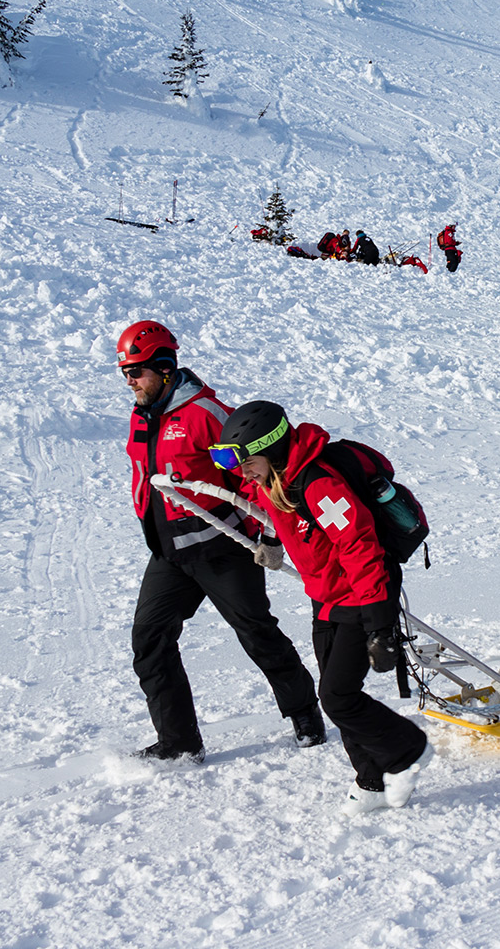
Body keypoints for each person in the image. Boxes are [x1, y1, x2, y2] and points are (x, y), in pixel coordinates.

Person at [210, 401, 433, 814]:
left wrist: (380, 627)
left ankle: (408, 750)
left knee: (338, 698)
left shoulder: (317, 484)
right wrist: (273, 542)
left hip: (362, 592)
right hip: (327, 595)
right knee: (336, 691)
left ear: (272, 450)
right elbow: (265, 503)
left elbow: (360, 547)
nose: (242, 473)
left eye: (247, 462)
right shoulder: (275, 478)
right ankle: (371, 783)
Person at [116, 320, 324, 762]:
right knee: (149, 641)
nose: (130, 382)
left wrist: (271, 536)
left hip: (222, 547)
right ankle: (179, 742)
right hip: (170, 553)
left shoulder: (205, 413)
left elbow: (255, 477)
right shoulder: (142, 415)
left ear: (166, 367)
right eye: (125, 373)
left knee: (256, 632)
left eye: (137, 372)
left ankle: (305, 711)